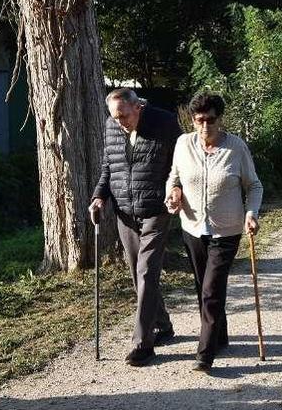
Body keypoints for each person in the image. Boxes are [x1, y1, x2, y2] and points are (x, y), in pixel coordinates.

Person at [165, 92, 263, 373]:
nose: (205, 126)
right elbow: (175, 177)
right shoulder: (183, 144)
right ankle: (219, 335)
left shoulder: (236, 148)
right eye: (199, 121)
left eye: (211, 120)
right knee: (203, 287)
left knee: (211, 289)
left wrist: (251, 213)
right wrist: (173, 193)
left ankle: (205, 353)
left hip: (227, 230)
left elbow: (254, 186)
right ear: (192, 121)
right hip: (192, 227)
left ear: (220, 119)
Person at [90, 88, 183, 367]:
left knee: (146, 271)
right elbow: (109, 165)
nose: (119, 122)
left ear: (138, 107)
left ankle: (143, 343)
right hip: (125, 212)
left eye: (123, 116)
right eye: (114, 117)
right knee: (136, 272)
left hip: (157, 209)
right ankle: (163, 324)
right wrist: (99, 196)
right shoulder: (111, 125)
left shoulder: (164, 122)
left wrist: (176, 189)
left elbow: (180, 164)